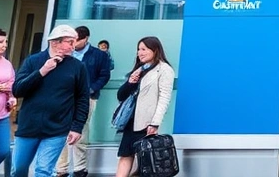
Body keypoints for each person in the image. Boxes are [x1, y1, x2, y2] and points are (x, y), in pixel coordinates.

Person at [11, 24, 90, 177]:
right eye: (69, 42)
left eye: (75, 41)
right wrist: (42, 71)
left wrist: (77, 126)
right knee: (18, 169)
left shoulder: (78, 67)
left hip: (57, 128)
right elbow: (18, 90)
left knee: (44, 171)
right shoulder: (33, 61)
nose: (74, 46)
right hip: (29, 126)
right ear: (54, 42)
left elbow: (82, 98)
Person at [115, 36, 175, 177]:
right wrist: (130, 82)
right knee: (125, 155)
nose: (140, 53)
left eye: (144, 49)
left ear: (155, 50)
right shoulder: (139, 69)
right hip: (130, 120)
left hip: (146, 122)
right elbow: (121, 95)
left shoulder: (164, 70)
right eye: (138, 49)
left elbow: (164, 98)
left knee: (146, 160)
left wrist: (155, 123)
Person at [56, 25, 112, 177]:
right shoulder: (66, 52)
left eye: (77, 40)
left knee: (81, 129)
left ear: (86, 39)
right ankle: (62, 168)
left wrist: (92, 89)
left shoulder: (99, 55)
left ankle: (80, 168)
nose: (74, 43)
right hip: (65, 96)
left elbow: (104, 75)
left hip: (87, 97)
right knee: (62, 129)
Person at [0, 27, 16, 174]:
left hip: (0, 116)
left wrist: (12, 98)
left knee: (2, 151)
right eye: (0, 42)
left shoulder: (7, 64)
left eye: (6, 41)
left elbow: (12, 85)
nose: (4, 45)